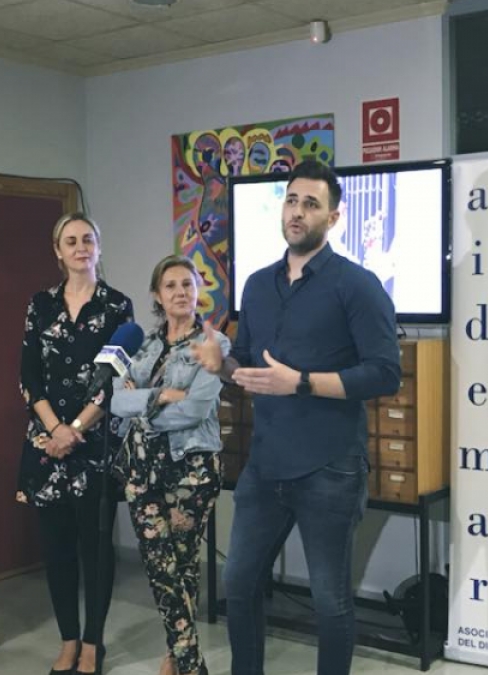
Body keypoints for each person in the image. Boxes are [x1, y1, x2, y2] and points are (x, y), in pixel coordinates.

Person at [192, 160, 401, 675]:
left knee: (330, 601)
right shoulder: (257, 286)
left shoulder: (357, 285)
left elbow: (384, 374)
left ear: (332, 217)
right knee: (239, 584)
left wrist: (302, 382)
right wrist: (223, 366)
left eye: (311, 204)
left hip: (330, 467)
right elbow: (247, 363)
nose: (298, 212)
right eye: (291, 200)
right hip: (266, 465)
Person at [17, 213, 134, 675]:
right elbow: (28, 375)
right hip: (46, 446)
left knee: (96, 549)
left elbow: (118, 377)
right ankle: (68, 640)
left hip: (95, 445)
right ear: (58, 251)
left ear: (98, 247)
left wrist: (76, 428)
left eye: (88, 239)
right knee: (57, 550)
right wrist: (55, 430)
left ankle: (92, 643)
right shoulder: (40, 304)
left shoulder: (117, 306)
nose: (81, 247)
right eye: (71, 241)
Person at [109, 255, 230, 675]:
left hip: (191, 470)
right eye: (171, 285)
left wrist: (140, 404)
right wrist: (159, 396)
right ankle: (188, 661)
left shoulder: (214, 344)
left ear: (198, 290)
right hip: (141, 471)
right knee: (161, 566)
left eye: (187, 284)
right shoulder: (141, 345)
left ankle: (178, 658)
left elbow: (196, 410)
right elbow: (115, 402)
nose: (180, 292)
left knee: (180, 564)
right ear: (157, 296)